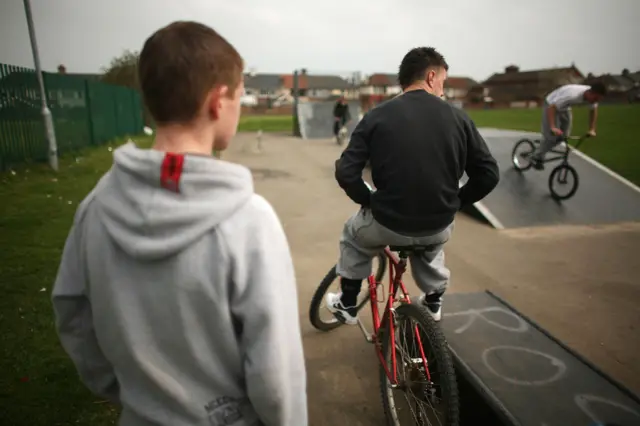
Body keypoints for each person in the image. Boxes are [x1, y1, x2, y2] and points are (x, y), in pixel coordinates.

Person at [51, 21, 307, 426]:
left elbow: (72, 314)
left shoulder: (94, 209)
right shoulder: (249, 221)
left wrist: (125, 392)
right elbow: (276, 373)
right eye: (240, 95)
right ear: (217, 101)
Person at [326, 47, 499, 324]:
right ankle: (433, 301)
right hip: (438, 222)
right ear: (431, 76)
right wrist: (456, 201)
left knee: (353, 237)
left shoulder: (376, 116)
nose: (442, 90)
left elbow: (346, 172)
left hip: (387, 221)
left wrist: (368, 200)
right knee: (431, 246)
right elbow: (488, 174)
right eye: (443, 81)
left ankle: (347, 303)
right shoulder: (459, 118)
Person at [532, 82, 607, 169]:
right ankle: (537, 156)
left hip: (565, 107)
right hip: (550, 104)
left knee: (564, 136)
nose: (595, 101)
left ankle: (543, 145)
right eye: (595, 98)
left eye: (598, 100)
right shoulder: (572, 96)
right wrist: (553, 127)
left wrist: (592, 129)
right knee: (551, 136)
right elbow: (552, 108)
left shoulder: (593, 97)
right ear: (590, 92)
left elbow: (593, 110)